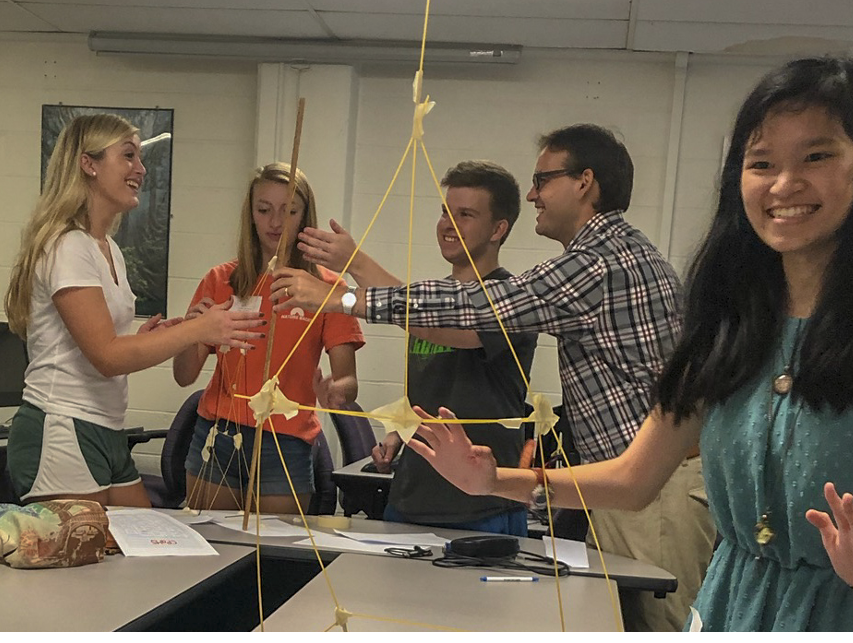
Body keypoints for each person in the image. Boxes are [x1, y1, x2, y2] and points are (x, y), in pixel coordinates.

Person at [406, 57, 853, 631]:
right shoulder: (728, 322)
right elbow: (631, 478)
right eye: (762, 162)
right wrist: (495, 481)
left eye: (816, 157)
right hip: (734, 605)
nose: (783, 184)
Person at [271, 123, 699, 630]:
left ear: (585, 182)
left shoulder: (597, 264)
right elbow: (443, 316)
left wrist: (345, 291)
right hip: (619, 485)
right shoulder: (607, 258)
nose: (534, 193)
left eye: (543, 179)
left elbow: (471, 314)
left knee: (650, 625)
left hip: (646, 489)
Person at [1, 114, 263, 506]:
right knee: (85, 563)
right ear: (88, 164)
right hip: (62, 425)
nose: (140, 169)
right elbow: (107, 357)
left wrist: (150, 339)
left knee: (146, 541)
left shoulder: (108, 248)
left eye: (139, 158)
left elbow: (106, 346)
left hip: (104, 427)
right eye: (128, 156)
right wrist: (198, 331)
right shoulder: (67, 246)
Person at [296, 161, 539, 536]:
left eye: (466, 214)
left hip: (481, 511)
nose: (448, 223)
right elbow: (428, 395)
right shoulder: (425, 301)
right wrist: (399, 435)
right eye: (446, 211)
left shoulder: (514, 300)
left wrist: (354, 268)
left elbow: (446, 323)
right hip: (410, 502)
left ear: (498, 229)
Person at [174, 163, 364, 515]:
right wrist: (190, 334)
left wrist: (339, 392)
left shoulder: (327, 289)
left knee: (274, 555)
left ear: (305, 215)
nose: (276, 222)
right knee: (211, 546)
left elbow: (347, 379)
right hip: (218, 433)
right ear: (251, 214)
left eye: (289, 211)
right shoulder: (221, 280)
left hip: (286, 441)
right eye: (264, 210)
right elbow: (184, 375)